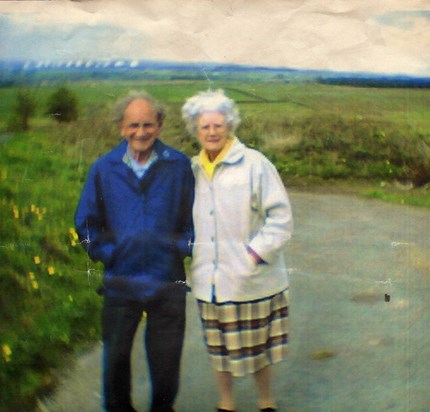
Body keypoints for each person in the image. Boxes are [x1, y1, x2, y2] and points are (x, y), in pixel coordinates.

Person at [75, 91, 194, 412]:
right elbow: (86, 222)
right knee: (115, 357)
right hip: (121, 279)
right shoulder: (104, 168)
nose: (140, 133)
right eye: (132, 125)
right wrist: (108, 254)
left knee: (166, 357)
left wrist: (180, 248)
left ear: (160, 125)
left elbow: (193, 218)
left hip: (167, 279)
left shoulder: (178, 166)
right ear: (120, 127)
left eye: (147, 125)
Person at [182, 90, 293, 412]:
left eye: (219, 125)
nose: (212, 132)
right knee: (219, 348)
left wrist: (253, 256)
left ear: (230, 126)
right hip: (209, 278)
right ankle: (226, 403)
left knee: (259, 347)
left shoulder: (255, 164)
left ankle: (266, 401)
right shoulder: (191, 170)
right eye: (205, 127)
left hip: (251, 277)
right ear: (196, 131)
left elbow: (281, 218)